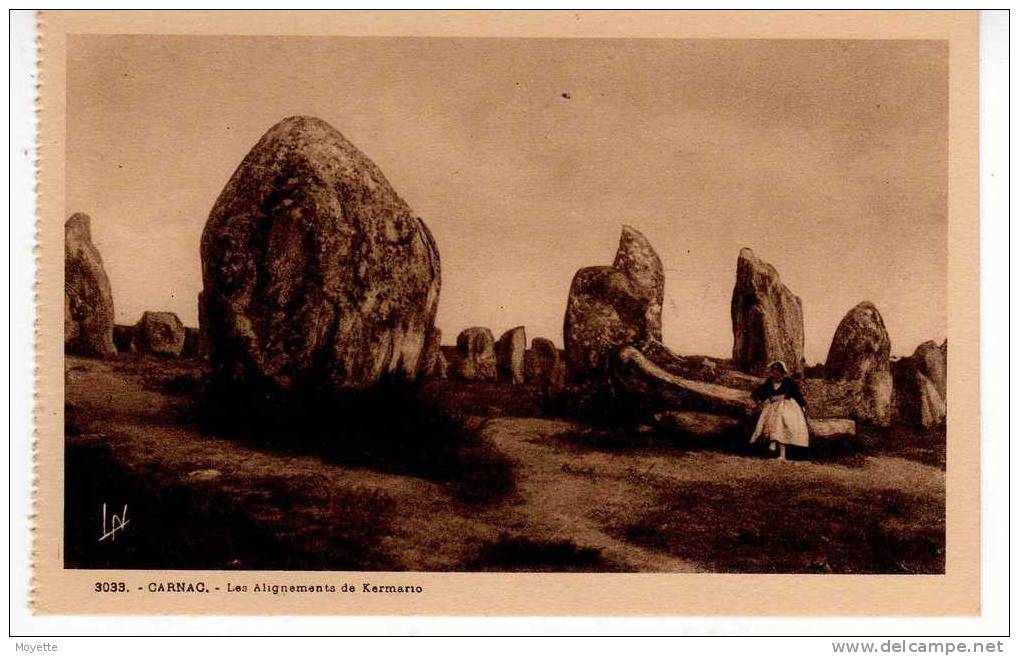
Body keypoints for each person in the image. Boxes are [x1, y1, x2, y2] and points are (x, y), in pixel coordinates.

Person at [749, 361, 808, 461]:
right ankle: (772, 444)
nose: (775, 373)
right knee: (773, 417)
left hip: (788, 407)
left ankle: (780, 452)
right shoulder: (769, 382)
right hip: (772, 407)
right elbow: (757, 393)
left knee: (781, 417)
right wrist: (761, 401)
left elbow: (796, 394)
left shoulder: (788, 381)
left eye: (778, 370)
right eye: (773, 370)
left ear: (782, 372)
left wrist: (803, 405)